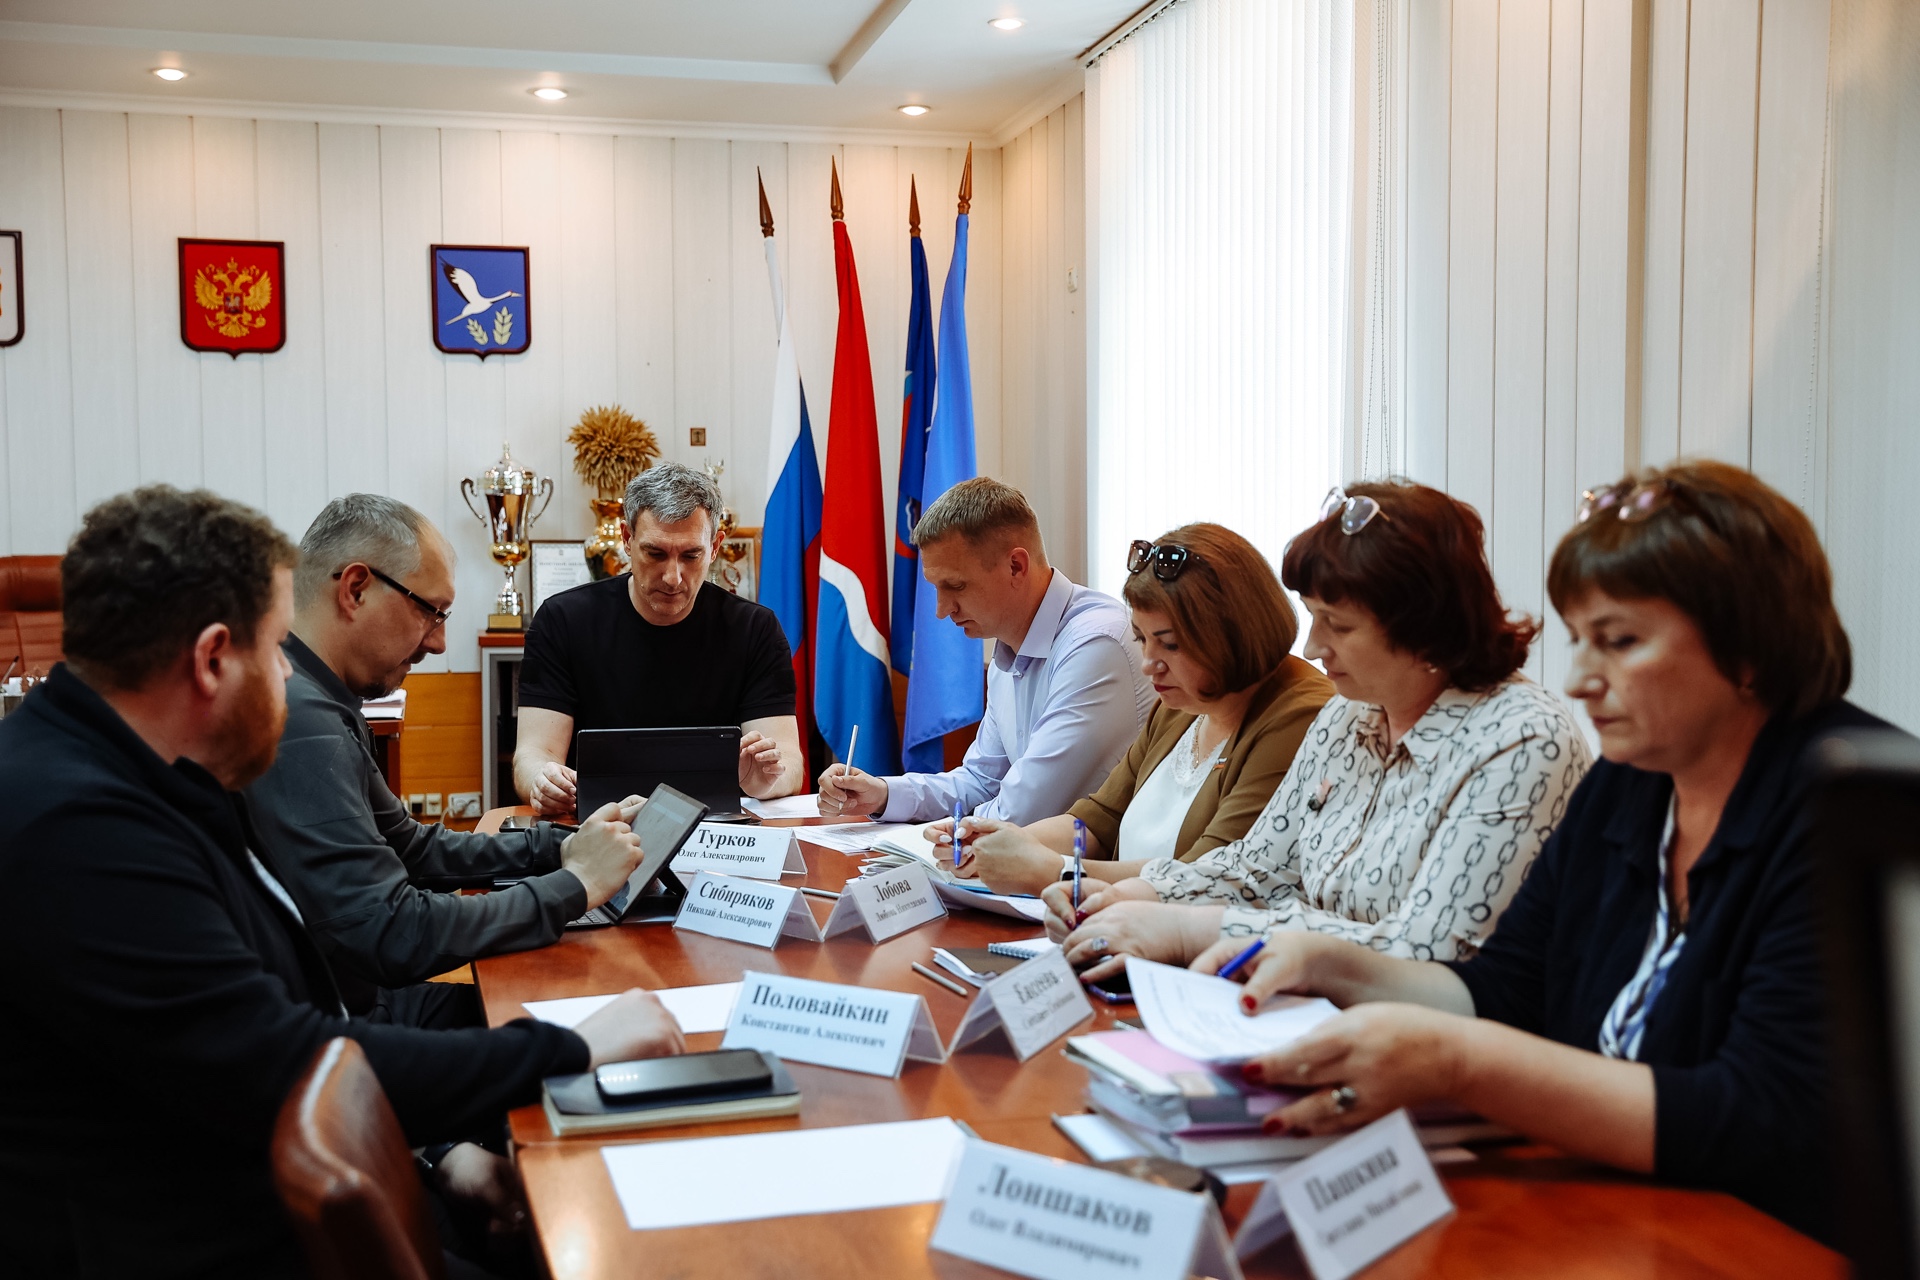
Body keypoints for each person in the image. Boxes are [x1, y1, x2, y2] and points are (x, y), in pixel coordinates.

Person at [0, 486, 686, 1279]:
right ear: (214, 659)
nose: (289, 679)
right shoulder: (79, 829)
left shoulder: (120, 770)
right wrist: (569, 1050)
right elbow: (289, 1063)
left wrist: (438, 1149)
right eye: (275, 651)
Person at [1194, 460, 1884, 1244]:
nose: (1581, 680)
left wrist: (1458, 1062)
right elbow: (1508, 989)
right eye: (1579, 640)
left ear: (1750, 643)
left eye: (1618, 642)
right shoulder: (1632, 781)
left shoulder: (1850, 807)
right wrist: (1330, 964)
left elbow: (1763, 1118)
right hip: (1616, 1208)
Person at [1054, 481, 1591, 974]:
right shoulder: (1348, 715)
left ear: (1426, 623)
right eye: (1313, 616)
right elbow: (1257, 868)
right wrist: (1129, 898)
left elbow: (1430, 952)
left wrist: (1192, 929)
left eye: (1338, 625)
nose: (1312, 647)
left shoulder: (1520, 740)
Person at [247, 495, 649, 1022]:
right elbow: (392, 932)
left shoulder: (319, 698)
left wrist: (564, 846)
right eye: (430, 611)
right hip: (345, 1029)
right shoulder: (302, 721)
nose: (438, 643)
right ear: (356, 589)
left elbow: (412, 850)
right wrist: (575, 886)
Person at [932, 523, 1334, 896]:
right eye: (1142, 639)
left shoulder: (1298, 715)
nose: (1149, 665)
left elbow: (1206, 876)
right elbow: (1097, 820)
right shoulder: (1182, 704)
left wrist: (1053, 871)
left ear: (1234, 633)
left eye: (1170, 644)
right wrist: (996, 842)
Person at [818, 477, 1153, 825]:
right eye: (937, 588)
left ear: (1016, 566)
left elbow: (1025, 809)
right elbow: (980, 781)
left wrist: (935, 838)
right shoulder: (1008, 649)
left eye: (956, 585)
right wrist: (883, 794)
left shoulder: (1095, 644)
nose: (942, 609)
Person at [514, 462, 803, 814]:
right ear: (626, 539)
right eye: (655, 553)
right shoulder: (562, 620)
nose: (672, 577)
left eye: (691, 555)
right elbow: (533, 754)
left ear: (715, 547)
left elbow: (789, 763)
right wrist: (543, 780)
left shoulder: (755, 629)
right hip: (599, 824)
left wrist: (764, 780)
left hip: (716, 827)